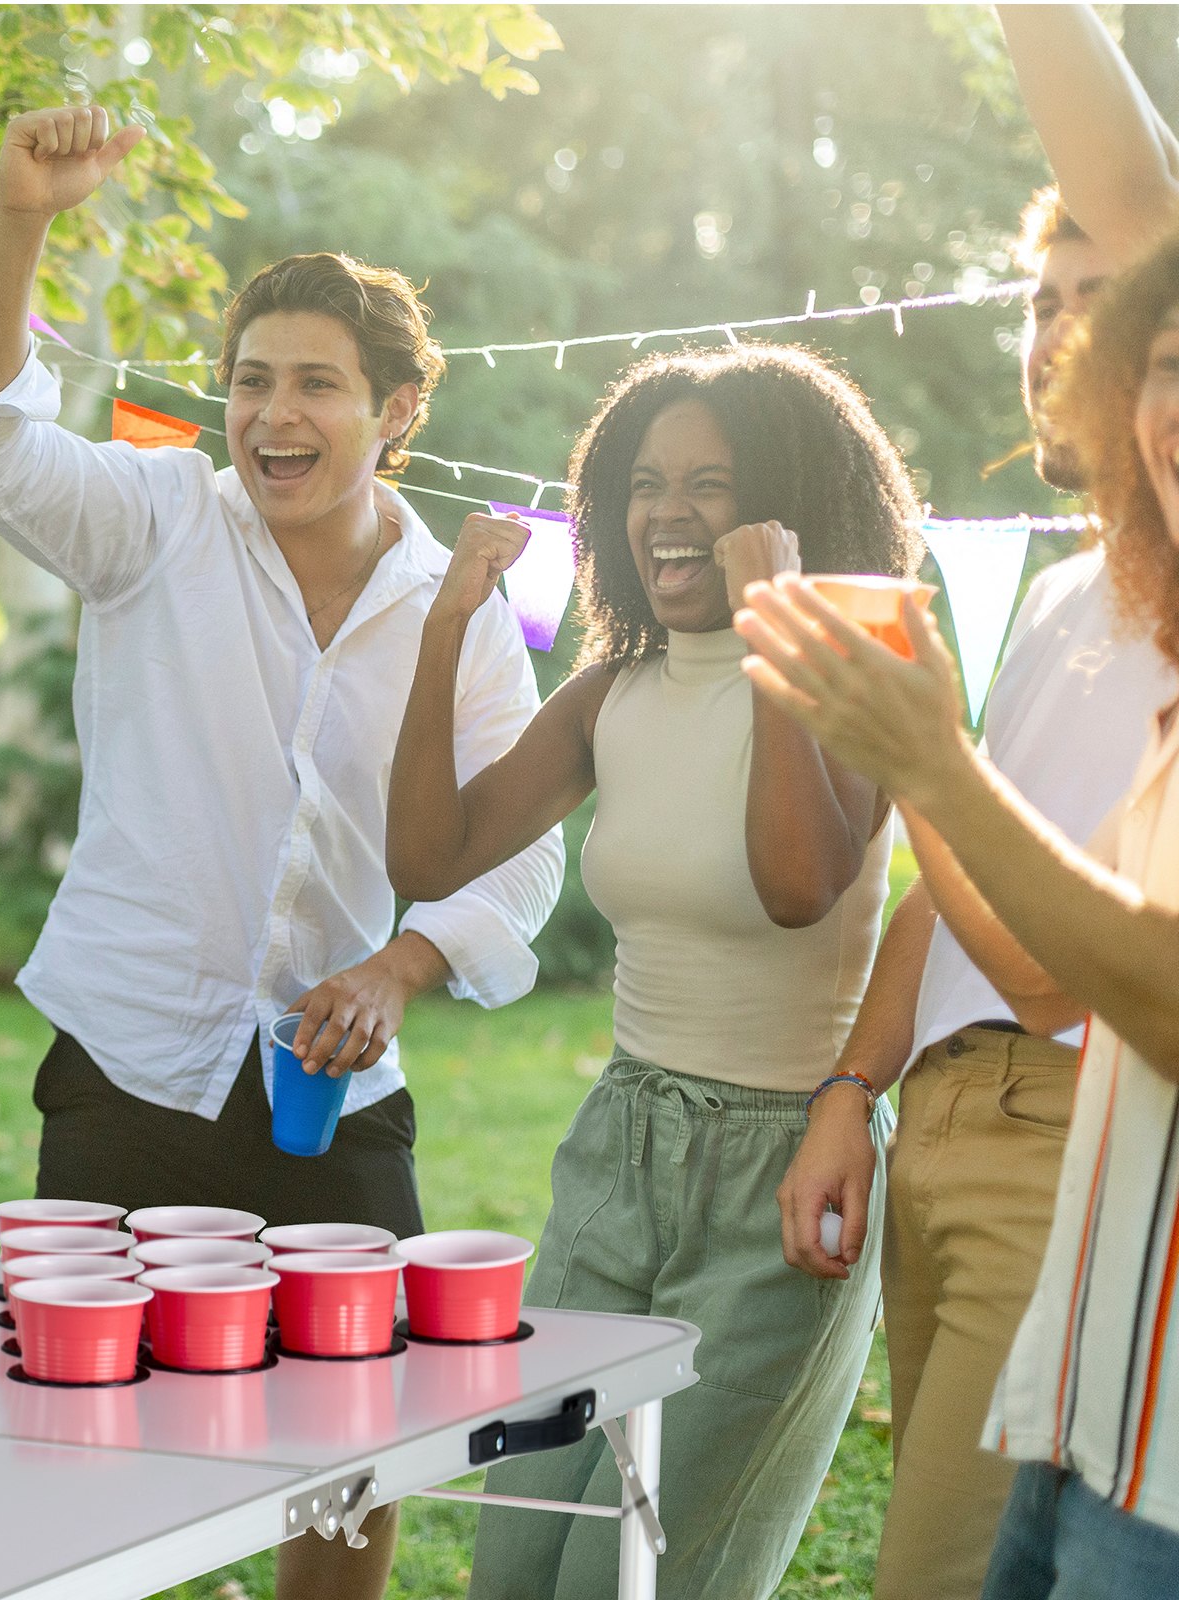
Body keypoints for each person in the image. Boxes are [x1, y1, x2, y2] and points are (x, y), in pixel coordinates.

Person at [0, 107, 562, 1599]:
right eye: (252, 381)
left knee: (352, 1459)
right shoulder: (152, 518)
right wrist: (23, 215)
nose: (274, 413)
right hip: (127, 1063)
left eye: (317, 385)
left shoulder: (457, 606)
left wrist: (405, 965)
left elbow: (522, 855)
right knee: (77, 1452)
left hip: (331, 1102)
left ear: (398, 407)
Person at [387, 341, 922, 1599]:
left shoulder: (857, 677)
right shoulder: (607, 691)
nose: (666, 514)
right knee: (517, 1564)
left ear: (792, 506)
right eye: (642, 482)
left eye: (710, 483)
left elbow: (800, 885)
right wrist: (446, 628)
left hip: (782, 1174)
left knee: (643, 1579)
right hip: (619, 1150)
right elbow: (430, 854)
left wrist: (780, 626)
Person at [775, 10, 1179, 1595]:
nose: (1066, 341)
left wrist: (916, 755)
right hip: (980, 1144)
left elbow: (1046, 962)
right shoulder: (1083, 592)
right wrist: (855, 1089)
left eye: (1121, 311)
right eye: (1048, 305)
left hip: (1058, 1122)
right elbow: (949, 899)